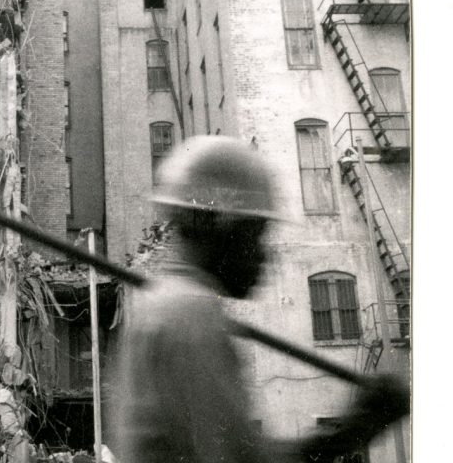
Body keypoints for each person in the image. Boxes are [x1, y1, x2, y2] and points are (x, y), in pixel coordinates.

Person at [108, 136, 408, 463]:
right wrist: (356, 427)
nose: (266, 256)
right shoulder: (190, 314)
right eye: (257, 232)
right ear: (219, 225)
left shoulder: (163, 303)